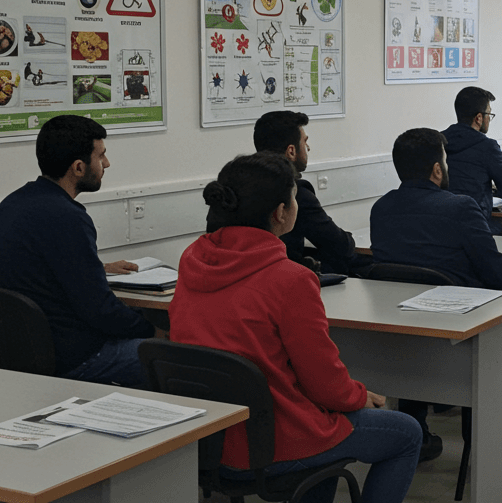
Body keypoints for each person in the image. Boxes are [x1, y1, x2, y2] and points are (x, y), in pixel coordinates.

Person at [170, 153, 421, 503]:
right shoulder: (291, 279)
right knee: (407, 432)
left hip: (207, 441)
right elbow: (326, 386)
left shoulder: (192, 259)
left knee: (329, 431)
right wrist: (361, 395)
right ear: (281, 212)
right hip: (277, 439)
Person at [367, 128, 502, 486]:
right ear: (437, 169)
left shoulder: (381, 207)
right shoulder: (460, 207)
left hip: (399, 328)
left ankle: (416, 432)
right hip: (462, 329)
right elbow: (499, 278)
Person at [0, 115, 157, 386]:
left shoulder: (15, 204)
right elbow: (101, 312)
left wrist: (97, 268)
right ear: (78, 167)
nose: (106, 164)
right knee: (175, 357)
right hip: (72, 360)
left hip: (17, 357)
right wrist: (153, 329)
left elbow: (41, 269)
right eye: (101, 156)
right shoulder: (67, 217)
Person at [253, 110, 363, 276]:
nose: (308, 148)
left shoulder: (242, 185)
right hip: (284, 280)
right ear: (291, 151)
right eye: (304, 142)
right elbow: (341, 245)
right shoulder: (294, 192)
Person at [442, 86, 502, 234]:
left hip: (440, 227)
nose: (489, 119)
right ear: (478, 118)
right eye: (489, 114)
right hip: (476, 227)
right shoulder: (487, 146)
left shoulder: (438, 141)